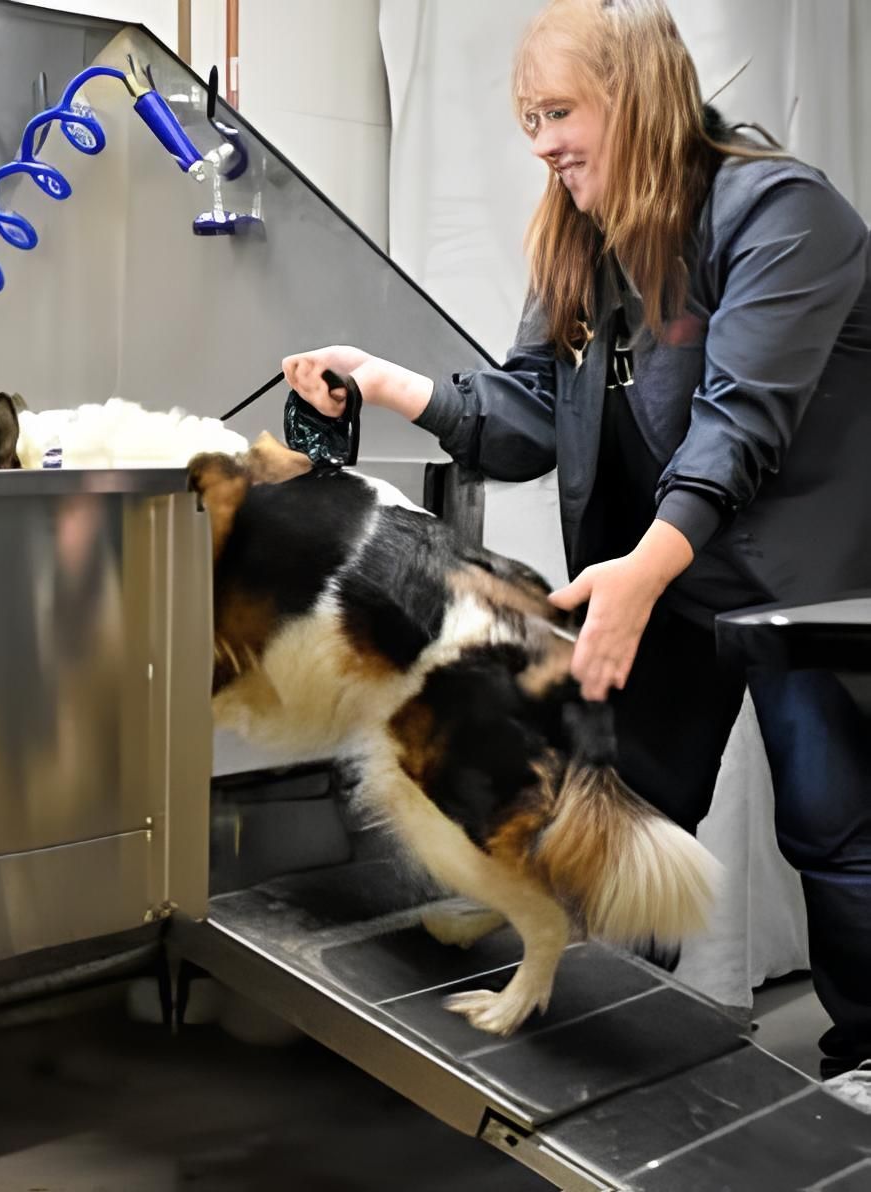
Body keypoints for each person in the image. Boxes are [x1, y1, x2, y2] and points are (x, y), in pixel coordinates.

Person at [284, 0, 871, 1078]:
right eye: (528, 121)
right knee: (623, 819)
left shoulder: (779, 209)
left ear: (639, 96)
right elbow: (522, 417)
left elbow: (740, 423)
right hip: (671, 581)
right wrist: (387, 382)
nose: (544, 141)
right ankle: (618, 1050)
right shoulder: (584, 240)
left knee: (835, 835)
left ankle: (870, 1060)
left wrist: (641, 573)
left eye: (560, 111)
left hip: (804, 582)